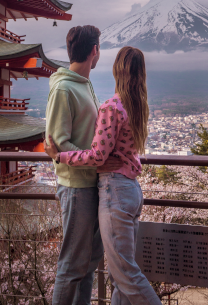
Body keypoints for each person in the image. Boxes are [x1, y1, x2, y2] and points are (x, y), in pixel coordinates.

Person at [45, 46, 162, 305]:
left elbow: (98, 156)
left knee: (125, 273)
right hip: (132, 190)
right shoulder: (139, 106)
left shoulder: (112, 106)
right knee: (119, 275)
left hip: (115, 193)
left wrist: (59, 156)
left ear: (116, 70)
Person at [45, 25, 123, 305]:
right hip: (76, 186)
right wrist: (97, 160)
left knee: (88, 263)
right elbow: (56, 143)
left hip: (92, 184)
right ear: (95, 51)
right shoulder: (64, 88)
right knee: (71, 265)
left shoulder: (84, 84)